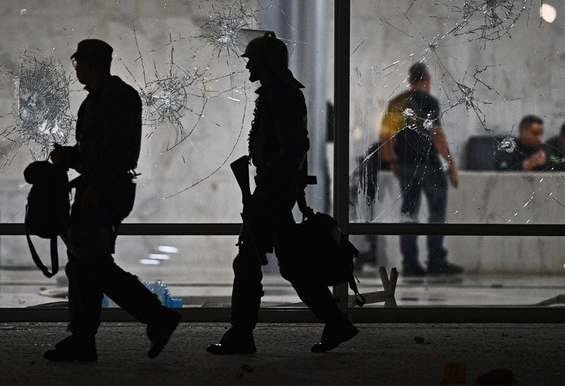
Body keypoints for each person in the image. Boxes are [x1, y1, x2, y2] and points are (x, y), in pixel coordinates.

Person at [207, 31, 358, 356]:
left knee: (247, 262)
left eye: (252, 60)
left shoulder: (282, 96)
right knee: (290, 264)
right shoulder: (278, 93)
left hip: (272, 193)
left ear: (266, 63)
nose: (247, 66)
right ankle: (336, 322)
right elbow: (292, 149)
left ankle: (241, 334)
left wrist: (266, 192)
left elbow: (293, 149)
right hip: (275, 191)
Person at [45, 39, 181, 362]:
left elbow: (119, 151)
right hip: (95, 189)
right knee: (84, 265)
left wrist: (98, 186)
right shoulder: (94, 102)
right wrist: (68, 156)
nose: (75, 67)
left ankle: (155, 317)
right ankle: (84, 338)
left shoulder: (118, 98)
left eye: (78, 61)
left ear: (89, 64)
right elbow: (94, 152)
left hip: (104, 193)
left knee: (92, 265)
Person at [379, 62, 462, 277]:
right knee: (436, 212)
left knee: (409, 212)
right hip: (428, 165)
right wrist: (451, 164)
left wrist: (392, 162)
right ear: (427, 80)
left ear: (410, 79)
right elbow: (436, 135)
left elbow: (385, 135)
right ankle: (436, 261)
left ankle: (410, 264)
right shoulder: (429, 101)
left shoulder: (397, 101)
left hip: (405, 165)